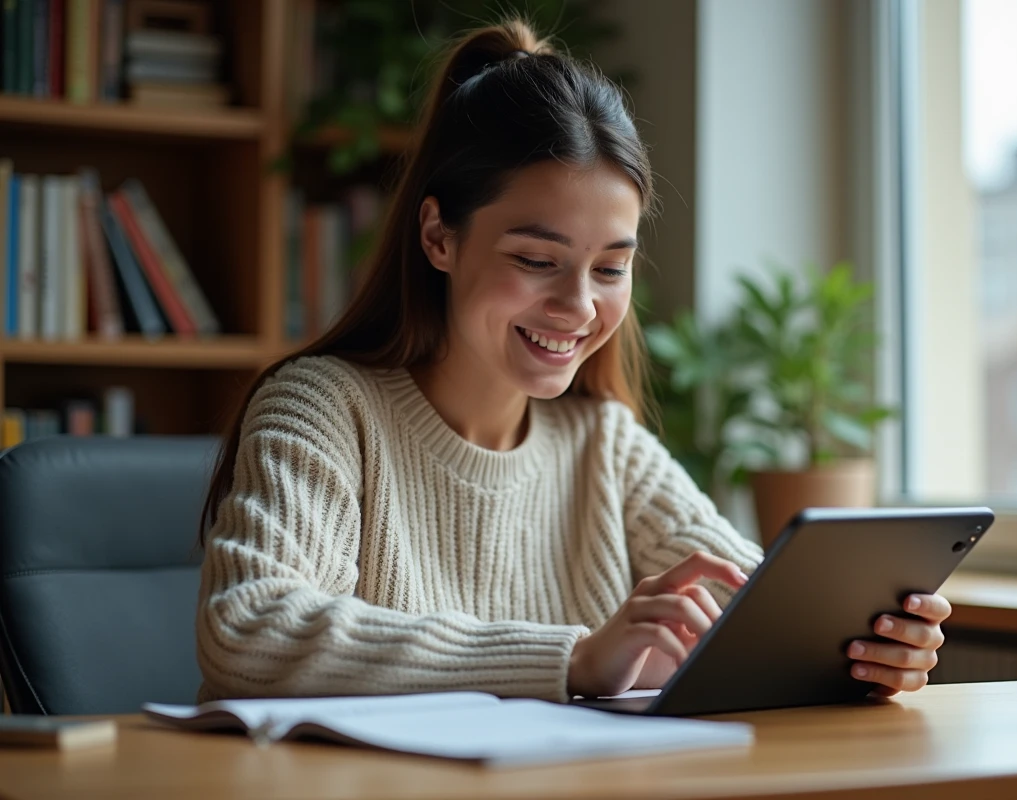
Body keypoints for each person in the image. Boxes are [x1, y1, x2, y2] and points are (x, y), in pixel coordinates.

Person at [195, 19, 950, 704]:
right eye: (536, 259)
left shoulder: (603, 445)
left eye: (611, 269)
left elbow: (764, 614)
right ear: (438, 237)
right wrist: (576, 658)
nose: (580, 307)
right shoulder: (322, 408)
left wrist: (868, 648)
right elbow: (248, 631)